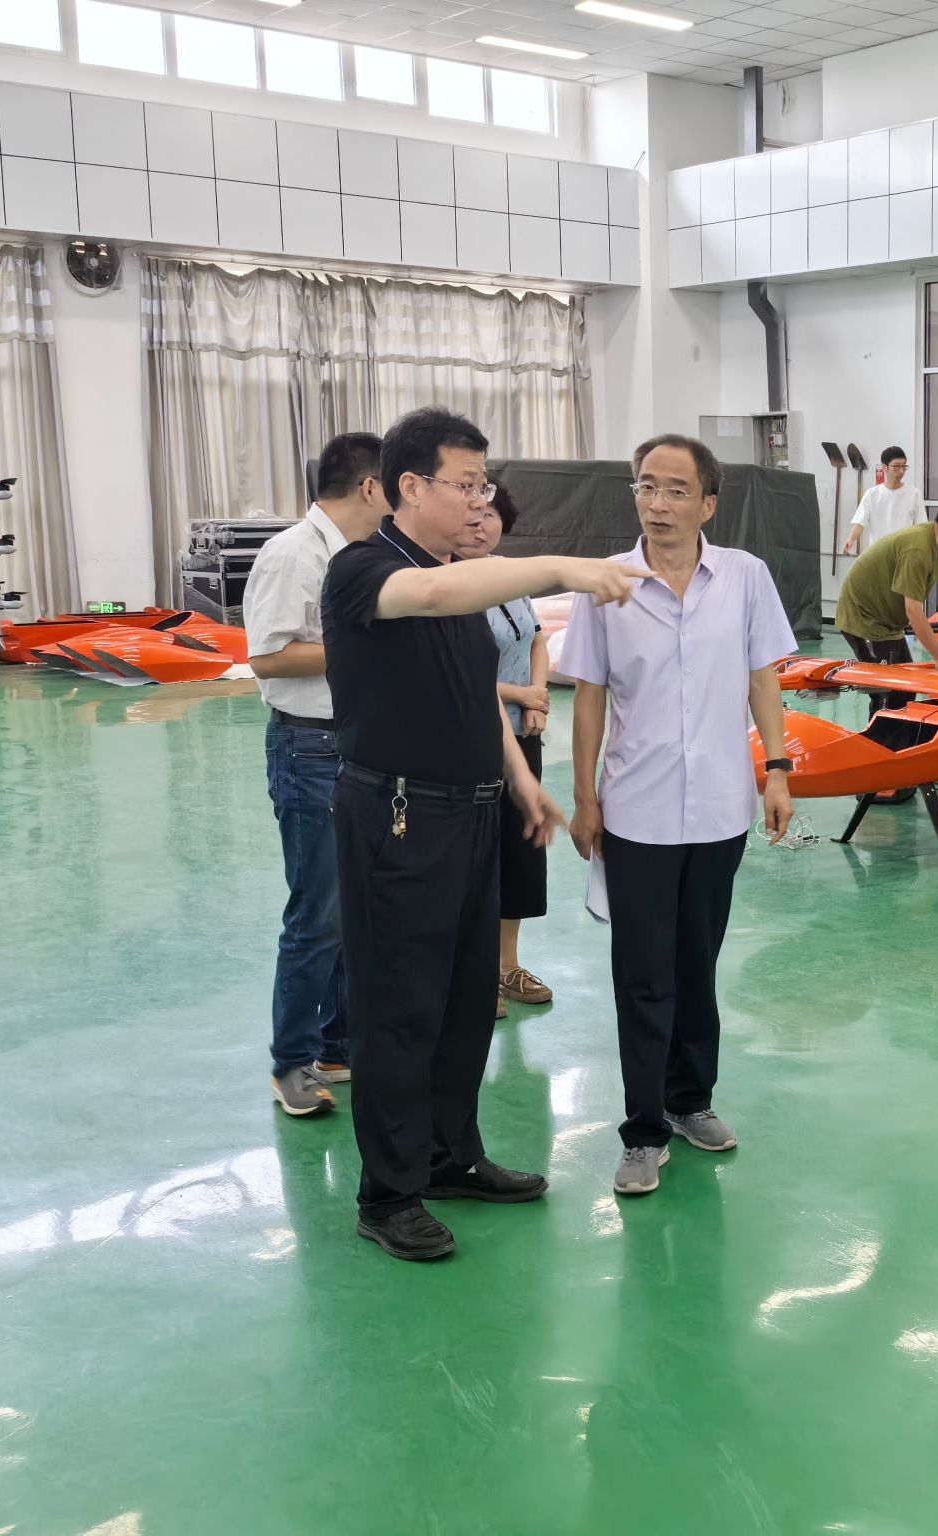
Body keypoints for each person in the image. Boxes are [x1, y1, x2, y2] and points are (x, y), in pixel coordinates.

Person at [321, 406, 651, 1262]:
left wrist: (522, 781)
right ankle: (388, 1195)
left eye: (483, 484)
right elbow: (432, 599)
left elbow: (474, 695)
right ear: (409, 487)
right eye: (465, 484)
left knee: (467, 1001)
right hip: (399, 819)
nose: (479, 500)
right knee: (400, 1009)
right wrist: (564, 568)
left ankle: (448, 1158)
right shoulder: (365, 570)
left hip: (471, 811)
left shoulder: (455, 575)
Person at [563, 433, 797, 1199]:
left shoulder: (745, 577)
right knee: (642, 976)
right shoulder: (606, 583)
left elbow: (762, 679)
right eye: (645, 486)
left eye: (674, 490)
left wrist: (778, 770)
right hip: (637, 810)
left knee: (697, 964)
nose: (656, 503)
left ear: (708, 503)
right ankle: (642, 1131)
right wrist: (586, 797)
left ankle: (690, 1100)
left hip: (722, 807)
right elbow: (589, 695)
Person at [244, 431, 387, 1117]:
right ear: (369, 487)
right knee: (317, 914)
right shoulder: (293, 555)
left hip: (356, 745)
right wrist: (367, 647)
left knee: (353, 908)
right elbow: (268, 657)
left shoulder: (359, 556)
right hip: (309, 749)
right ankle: (291, 1062)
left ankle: (337, 1044)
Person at [468, 484, 553, 1022]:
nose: (482, 525)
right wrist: (520, 694)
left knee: (518, 854)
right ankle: (474, 974)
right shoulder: (447, 582)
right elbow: (455, 672)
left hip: (523, 735)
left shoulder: (507, 575)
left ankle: (507, 966)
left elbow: (537, 637)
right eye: (473, 514)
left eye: (492, 515)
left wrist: (537, 695)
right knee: (476, 858)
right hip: (473, 738)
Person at [833, 493, 938, 716]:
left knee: (905, 688)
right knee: (890, 691)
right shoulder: (918, 549)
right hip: (865, 618)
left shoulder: (933, 544)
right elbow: (913, 610)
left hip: (887, 622)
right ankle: (881, 735)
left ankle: (895, 733)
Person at [840, 445, 924, 556]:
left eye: (904, 466)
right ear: (885, 467)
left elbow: (921, 526)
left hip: (904, 555)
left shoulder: (914, 494)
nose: (901, 471)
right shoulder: (872, 494)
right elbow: (859, 522)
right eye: (896, 466)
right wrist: (851, 539)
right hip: (878, 555)